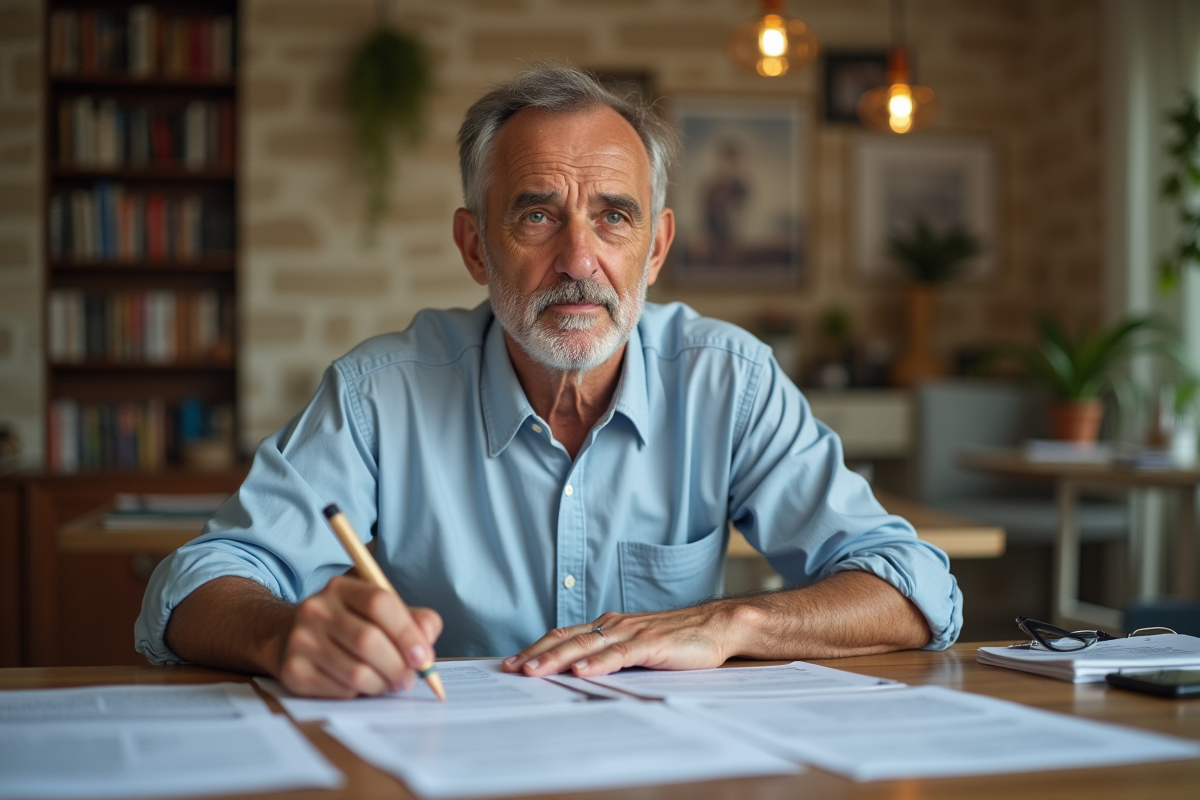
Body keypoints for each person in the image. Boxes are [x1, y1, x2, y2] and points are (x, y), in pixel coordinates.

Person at [136, 66, 961, 699]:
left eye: (614, 215)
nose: (578, 260)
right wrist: (284, 634)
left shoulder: (727, 381)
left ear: (658, 248)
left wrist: (731, 622)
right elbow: (194, 585)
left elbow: (914, 585)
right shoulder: (378, 393)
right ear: (474, 247)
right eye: (536, 214)